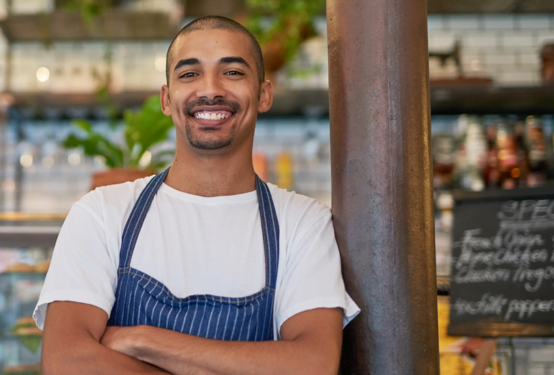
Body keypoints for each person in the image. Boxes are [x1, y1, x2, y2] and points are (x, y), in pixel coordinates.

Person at [33, 15, 359, 374]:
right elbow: (67, 362)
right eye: (189, 74)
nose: (210, 89)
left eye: (233, 72)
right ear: (166, 98)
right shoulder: (102, 213)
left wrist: (144, 340)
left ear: (264, 95)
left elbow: (312, 365)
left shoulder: (302, 223)